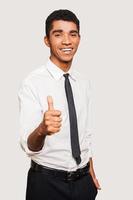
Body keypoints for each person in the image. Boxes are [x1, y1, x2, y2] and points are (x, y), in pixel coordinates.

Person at [18, 9, 101, 200]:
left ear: (79, 38)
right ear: (46, 40)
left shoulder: (83, 82)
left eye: (73, 34)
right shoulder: (32, 83)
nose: (66, 41)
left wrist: (91, 171)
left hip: (83, 184)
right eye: (58, 34)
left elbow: (85, 133)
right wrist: (42, 129)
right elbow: (28, 145)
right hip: (46, 184)